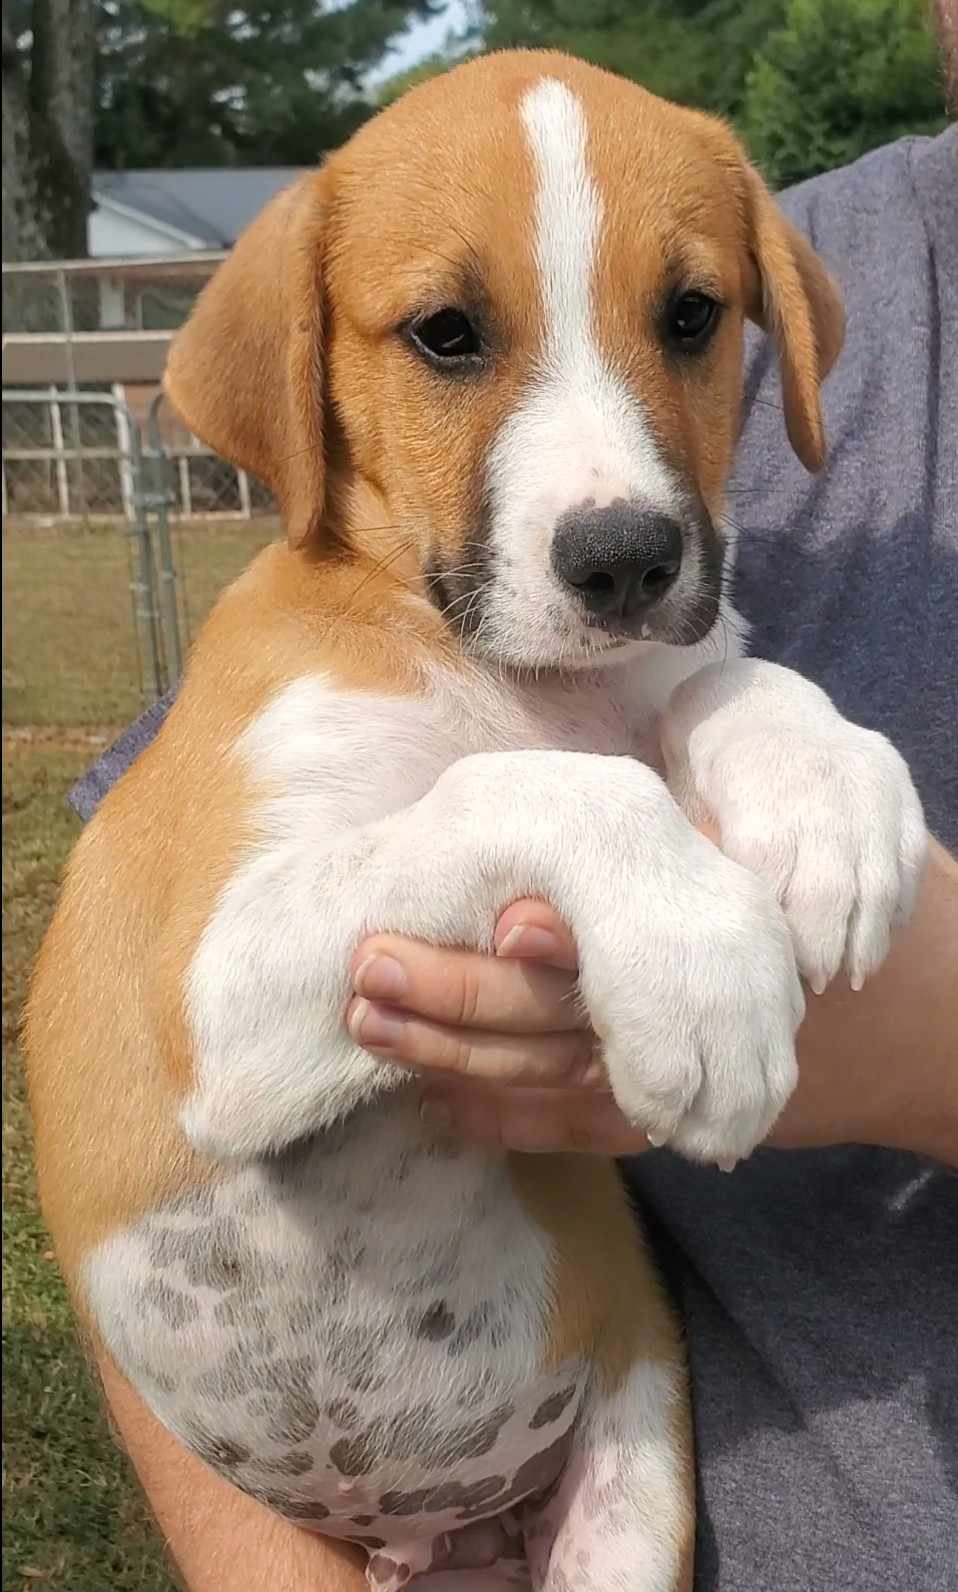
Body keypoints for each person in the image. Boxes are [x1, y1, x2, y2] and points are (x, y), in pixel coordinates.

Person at [70, 52, 957, 1592]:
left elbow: (698, 701)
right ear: (306, 376)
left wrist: (784, 734)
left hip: (597, 1434)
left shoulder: (692, 673)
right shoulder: (313, 654)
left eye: (685, 323)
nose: (612, 502)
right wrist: (547, 810)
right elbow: (213, 1052)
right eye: (448, 336)